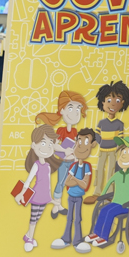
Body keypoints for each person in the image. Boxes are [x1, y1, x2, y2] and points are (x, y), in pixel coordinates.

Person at [82, 137, 129, 250]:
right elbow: (108, 184)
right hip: (116, 202)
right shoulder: (117, 174)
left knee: (110, 213)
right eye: (123, 152)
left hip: (127, 205)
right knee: (103, 210)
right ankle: (96, 233)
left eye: (128, 152)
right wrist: (102, 196)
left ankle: (104, 237)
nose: (124, 155)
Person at [35, 90, 88, 219]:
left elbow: (76, 145)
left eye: (78, 109)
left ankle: (58, 205)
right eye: (70, 108)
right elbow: (54, 145)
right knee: (60, 182)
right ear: (62, 111)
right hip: (63, 161)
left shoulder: (75, 131)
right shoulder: (60, 130)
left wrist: (76, 155)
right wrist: (64, 151)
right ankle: (56, 205)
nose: (75, 113)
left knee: (67, 183)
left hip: (72, 161)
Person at [15, 125, 62, 252]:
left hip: (45, 197)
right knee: (33, 219)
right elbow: (28, 181)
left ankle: (28, 236)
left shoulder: (48, 166)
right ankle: (30, 239)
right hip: (36, 196)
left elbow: (48, 184)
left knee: (37, 218)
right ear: (33, 145)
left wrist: (51, 199)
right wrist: (21, 193)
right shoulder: (36, 165)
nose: (47, 147)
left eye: (50, 144)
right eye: (43, 143)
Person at [51, 128, 96, 251]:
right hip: (71, 196)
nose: (80, 146)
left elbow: (84, 185)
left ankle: (77, 241)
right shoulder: (73, 166)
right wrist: (78, 181)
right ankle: (66, 239)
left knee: (78, 219)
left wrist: (75, 180)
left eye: (85, 142)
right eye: (79, 141)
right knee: (69, 218)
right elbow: (67, 182)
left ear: (92, 145)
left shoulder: (86, 166)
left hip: (79, 197)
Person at [92, 81, 129, 195]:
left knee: (111, 170)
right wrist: (99, 142)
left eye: (117, 101)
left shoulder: (119, 124)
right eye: (109, 100)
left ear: (122, 102)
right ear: (103, 102)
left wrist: (121, 147)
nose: (113, 104)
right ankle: (97, 190)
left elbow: (120, 138)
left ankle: (110, 191)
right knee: (100, 169)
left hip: (113, 151)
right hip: (102, 150)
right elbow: (97, 134)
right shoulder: (102, 123)